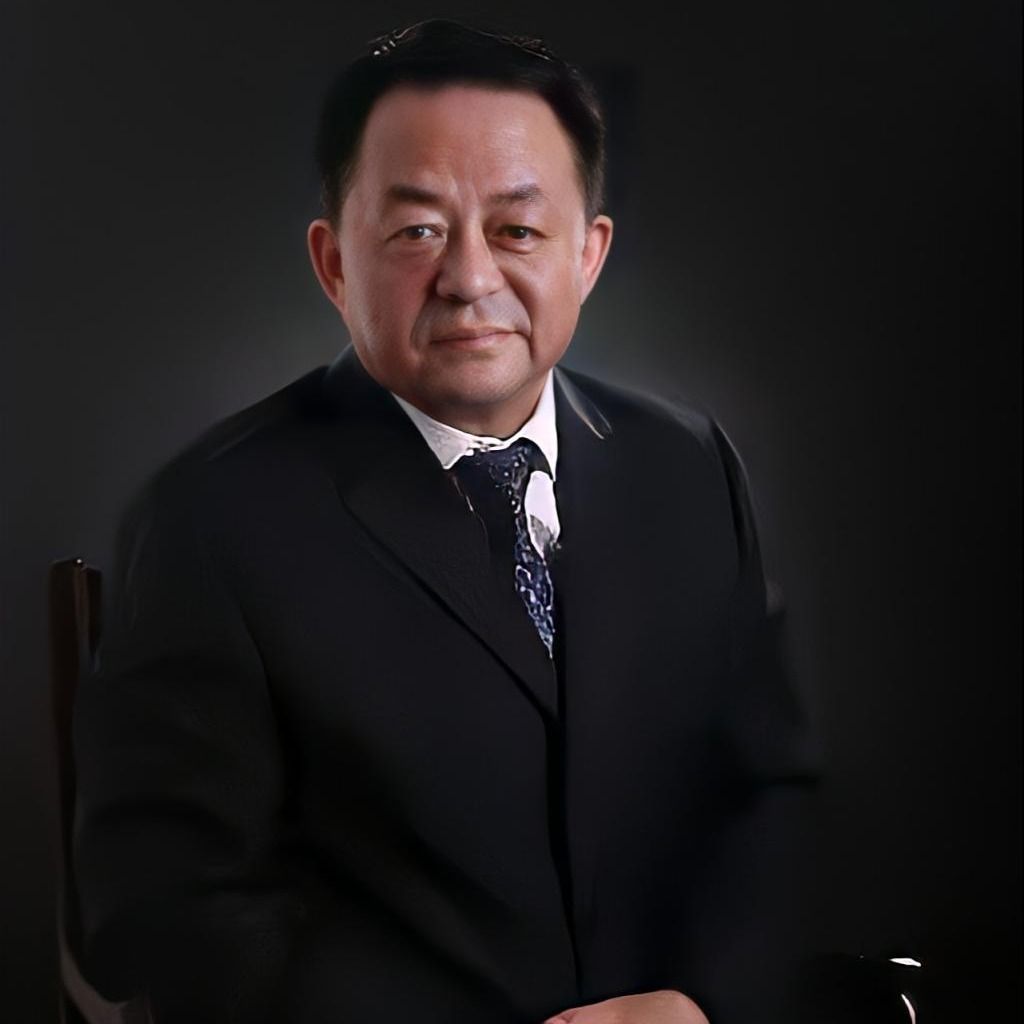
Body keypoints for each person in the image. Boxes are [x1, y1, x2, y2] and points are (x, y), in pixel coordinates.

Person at [73, 19, 819, 1024]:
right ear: (334, 263)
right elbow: (156, 909)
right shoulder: (210, 517)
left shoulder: (686, 468)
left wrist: (700, 1001)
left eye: (517, 229)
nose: (470, 279)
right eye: (418, 230)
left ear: (587, 254)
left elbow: (767, 794)